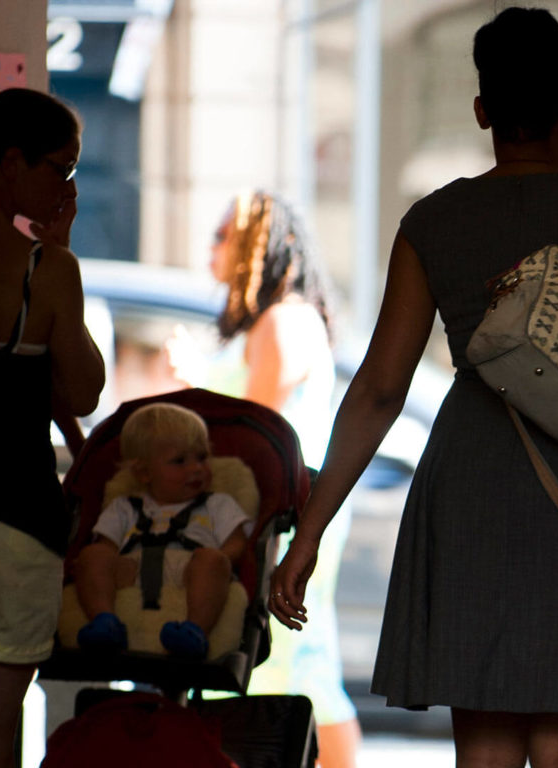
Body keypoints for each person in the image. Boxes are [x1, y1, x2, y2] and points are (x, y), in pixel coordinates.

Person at [268, 8, 558, 768]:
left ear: (482, 110)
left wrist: (309, 532)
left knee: (482, 748)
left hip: (471, 490)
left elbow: (380, 390)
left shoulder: (435, 220)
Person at [0, 87, 105, 768]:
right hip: (21, 526)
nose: (68, 187)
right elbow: (84, 390)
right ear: (11, 163)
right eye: (59, 169)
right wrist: (59, 251)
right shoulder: (48, 272)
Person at [198, 189, 361, 766]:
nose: (212, 248)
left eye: (224, 236)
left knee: (295, 656)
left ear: (257, 247)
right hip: (274, 504)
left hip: (285, 510)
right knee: (290, 657)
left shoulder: (284, 322)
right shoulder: (274, 320)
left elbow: (256, 422)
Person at [73, 403, 249, 659]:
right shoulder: (124, 507)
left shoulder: (217, 504)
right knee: (92, 555)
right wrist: (113, 565)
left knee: (213, 560)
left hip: (189, 569)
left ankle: (195, 631)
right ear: (143, 472)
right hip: (133, 569)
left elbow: (237, 543)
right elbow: (106, 547)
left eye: (201, 457)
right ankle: (104, 621)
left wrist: (216, 562)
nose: (196, 468)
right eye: (180, 461)